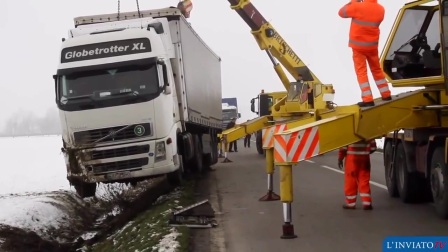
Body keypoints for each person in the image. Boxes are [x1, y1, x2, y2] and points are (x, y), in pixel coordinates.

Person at [338, 0, 392, 107]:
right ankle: (386, 94)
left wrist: (353, 1)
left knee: (361, 72)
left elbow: (341, 13)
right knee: (376, 69)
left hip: (358, 47)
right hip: (372, 46)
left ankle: (368, 99)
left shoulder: (357, 6)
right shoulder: (381, 9)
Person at [338, 139, 377, 210]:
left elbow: (343, 148)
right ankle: (367, 203)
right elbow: (373, 148)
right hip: (365, 160)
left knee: (351, 181)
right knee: (364, 180)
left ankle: (350, 203)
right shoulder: (369, 132)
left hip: (352, 160)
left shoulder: (349, 131)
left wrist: (340, 158)